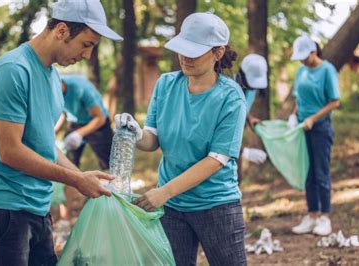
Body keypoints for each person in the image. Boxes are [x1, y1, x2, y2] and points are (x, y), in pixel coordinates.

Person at [0, 0, 121, 264]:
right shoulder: (13, 71)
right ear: (61, 30)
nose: (87, 56)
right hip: (3, 207)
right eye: (87, 45)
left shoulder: (52, 77)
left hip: (37, 205)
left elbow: (44, 144)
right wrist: (75, 181)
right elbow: (10, 152)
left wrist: (80, 175)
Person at [116, 12, 247, 265]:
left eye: (194, 51)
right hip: (172, 207)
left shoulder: (230, 97)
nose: (185, 57)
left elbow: (215, 160)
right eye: (182, 49)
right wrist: (135, 132)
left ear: (218, 53)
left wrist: (163, 192)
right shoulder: (166, 85)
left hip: (216, 205)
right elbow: (152, 140)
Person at [289, 35, 340, 236]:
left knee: (321, 172)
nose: (301, 60)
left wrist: (312, 118)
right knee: (308, 173)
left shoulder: (327, 70)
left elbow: (335, 101)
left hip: (320, 129)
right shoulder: (300, 71)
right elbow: (299, 99)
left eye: (304, 56)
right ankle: (311, 216)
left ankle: (324, 217)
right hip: (303, 128)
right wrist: (294, 115)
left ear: (314, 52)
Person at [56, 75, 113, 170]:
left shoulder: (81, 89)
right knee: (68, 164)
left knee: (109, 163)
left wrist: (78, 134)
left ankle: (109, 183)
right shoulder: (54, 93)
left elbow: (100, 118)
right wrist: (55, 130)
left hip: (97, 122)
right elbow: (62, 112)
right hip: (74, 121)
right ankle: (73, 182)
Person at [236, 54, 268, 171]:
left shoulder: (251, 89)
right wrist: (244, 152)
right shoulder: (230, 92)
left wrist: (249, 119)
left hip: (236, 142)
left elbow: (242, 109)